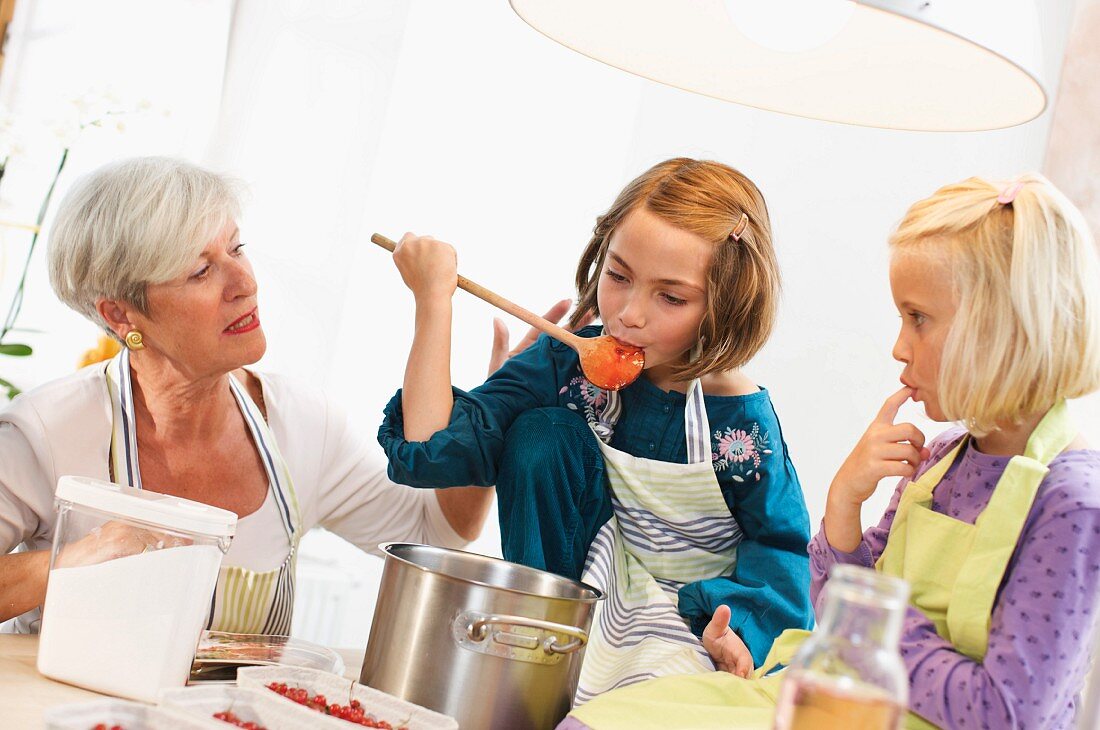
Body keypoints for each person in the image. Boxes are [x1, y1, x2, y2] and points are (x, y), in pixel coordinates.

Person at [561, 173, 1100, 729]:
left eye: (917, 318)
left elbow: (1007, 711)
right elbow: (832, 613)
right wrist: (844, 506)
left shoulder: (1073, 501)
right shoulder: (942, 460)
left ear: (1001, 330)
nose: (898, 346)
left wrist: (870, 633)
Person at [0, 156, 523, 635]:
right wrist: (72, 559)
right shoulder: (47, 432)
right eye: (201, 270)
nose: (244, 282)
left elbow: (433, 535)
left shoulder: (301, 425)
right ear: (120, 315)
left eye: (236, 248)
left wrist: (489, 418)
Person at [378, 158, 813, 700]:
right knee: (543, 434)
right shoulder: (563, 362)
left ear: (725, 304)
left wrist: (740, 633)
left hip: (688, 623)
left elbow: (783, 548)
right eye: (619, 276)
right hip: (566, 611)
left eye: (671, 297)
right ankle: (532, 658)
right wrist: (432, 302)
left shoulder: (740, 422)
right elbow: (430, 450)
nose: (630, 314)